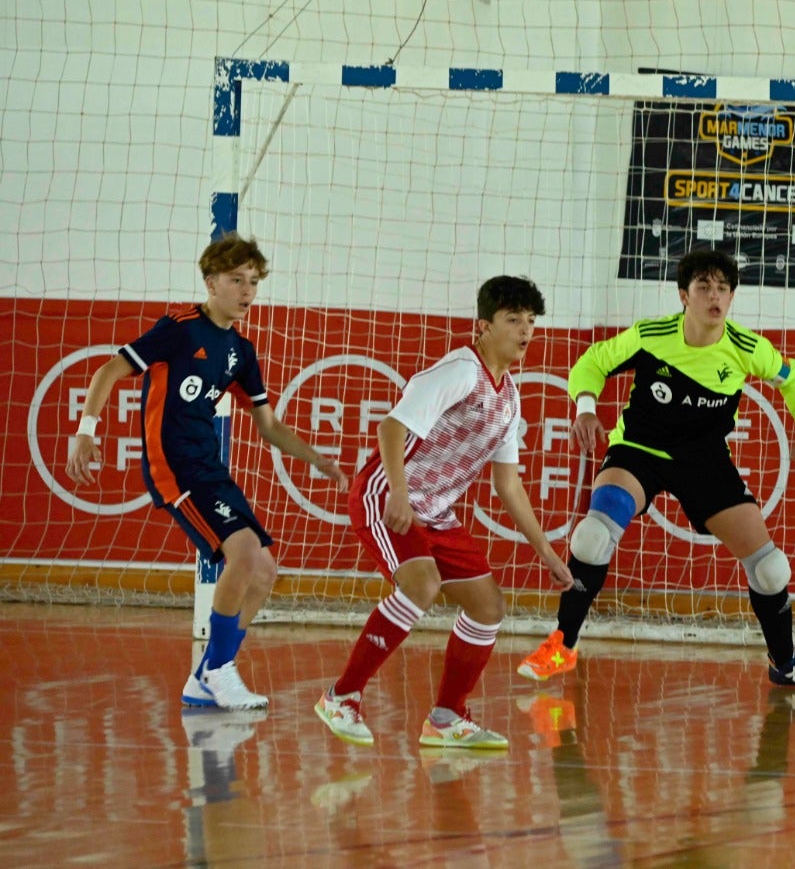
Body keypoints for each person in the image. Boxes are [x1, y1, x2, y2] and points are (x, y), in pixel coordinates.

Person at [516, 248, 795, 691]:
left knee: (771, 569)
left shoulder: (745, 347)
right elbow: (593, 361)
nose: (714, 296)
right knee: (592, 537)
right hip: (638, 451)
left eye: (723, 288)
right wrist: (586, 408)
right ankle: (562, 645)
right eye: (703, 287)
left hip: (704, 462)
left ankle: (785, 661)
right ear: (684, 295)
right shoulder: (651, 335)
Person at [65, 233, 348, 709]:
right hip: (173, 466)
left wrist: (315, 458)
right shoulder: (179, 328)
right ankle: (219, 670)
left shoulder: (241, 351)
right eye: (237, 280)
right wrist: (86, 430)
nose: (247, 291)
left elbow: (269, 425)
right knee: (240, 552)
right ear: (211, 282)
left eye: (254, 282)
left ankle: (206, 677)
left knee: (264, 567)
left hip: (210, 468)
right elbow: (109, 371)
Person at [313, 276, 573, 750]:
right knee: (421, 584)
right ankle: (341, 695)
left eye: (531, 321)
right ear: (483, 326)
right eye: (513, 319)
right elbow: (391, 428)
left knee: (488, 606)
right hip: (383, 494)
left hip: (435, 512)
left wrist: (548, 553)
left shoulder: (510, 397)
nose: (525, 330)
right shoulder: (459, 371)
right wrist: (396, 492)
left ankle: (447, 717)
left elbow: (508, 484)